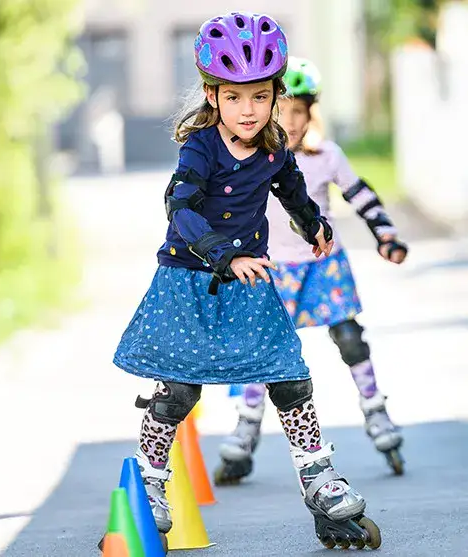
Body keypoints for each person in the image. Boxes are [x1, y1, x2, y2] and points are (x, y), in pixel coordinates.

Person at [109, 15, 380, 552]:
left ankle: (319, 478)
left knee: (289, 377)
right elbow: (180, 208)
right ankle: (151, 482)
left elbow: (292, 189)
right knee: (178, 390)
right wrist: (226, 255)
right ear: (213, 96)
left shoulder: (274, 148)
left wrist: (313, 225)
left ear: (276, 95)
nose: (249, 110)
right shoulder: (201, 148)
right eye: (234, 97)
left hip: (249, 282)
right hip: (189, 281)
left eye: (260, 96)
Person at [215, 57, 408, 489]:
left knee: (349, 336)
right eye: (282, 111)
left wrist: (386, 235)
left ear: (311, 114)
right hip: (272, 267)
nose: (290, 121)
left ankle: (375, 410)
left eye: (298, 112)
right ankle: (246, 426)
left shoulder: (326, 155)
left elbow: (360, 195)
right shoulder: (252, 155)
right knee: (262, 349)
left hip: (322, 265)